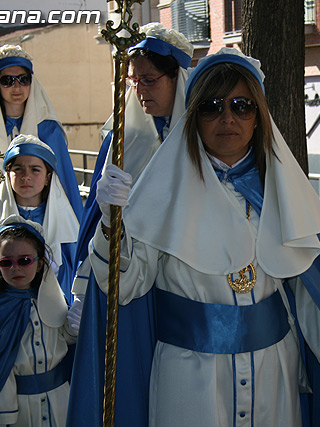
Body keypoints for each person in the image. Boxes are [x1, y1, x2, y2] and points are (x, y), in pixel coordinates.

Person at [72, 48, 320, 427]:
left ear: (259, 117)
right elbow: (125, 286)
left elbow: (309, 298)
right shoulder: (160, 195)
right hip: (188, 380)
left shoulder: (281, 196)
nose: (228, 117)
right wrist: (114, 222)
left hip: (273, 374)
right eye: (211, 106)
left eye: (242, 105)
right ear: (193, 116)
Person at [0, 44, 82, 425]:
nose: (15, 87)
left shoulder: (48, 130)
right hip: (0, 245)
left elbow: (66, 190)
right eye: (6, 80)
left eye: (22, 79)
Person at [70, 23, 193, 297]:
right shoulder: (122, 139)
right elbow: (96, 217)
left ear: (178, 77)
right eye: (133, 81)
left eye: (149, 80)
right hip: (133, 270)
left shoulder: (201, 136)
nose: (139, 91)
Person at [0, 215, 81, 427]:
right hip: (20, 411)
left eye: (25, 260)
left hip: (60, 401)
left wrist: (74, 328)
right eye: (6, 262)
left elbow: (63, 339)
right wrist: (4, 418)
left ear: (39, 263)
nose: (16, 268)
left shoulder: (53, 300)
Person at [0, 134, 80, 301]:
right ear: (8, 175)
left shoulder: (63, 221)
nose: (26, 176)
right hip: (9, 304)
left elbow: (78, 268)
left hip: (53, 303)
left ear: (47, 177)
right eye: (18, 169)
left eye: (35, 169)